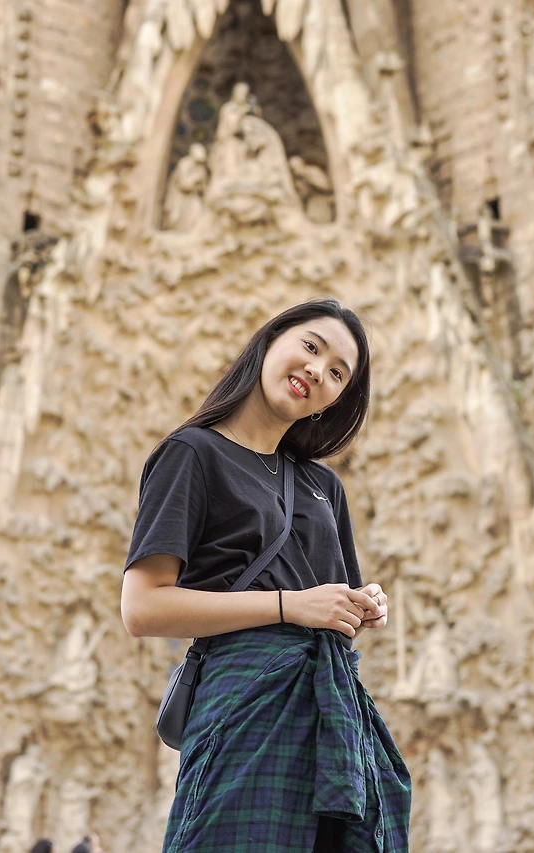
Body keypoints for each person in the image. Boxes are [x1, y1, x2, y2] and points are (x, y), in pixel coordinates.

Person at [122, 298, 412, 852]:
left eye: (338, 374)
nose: (317, 372)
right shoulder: (193, 454)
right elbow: (142, 608)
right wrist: (289, 605)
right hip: (246, 704)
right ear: (269, 341)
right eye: (311, 347)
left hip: (331, 715)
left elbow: (330, 612)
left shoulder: (323, 487)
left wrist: (361, 604)